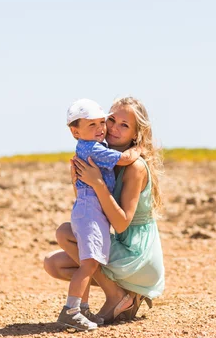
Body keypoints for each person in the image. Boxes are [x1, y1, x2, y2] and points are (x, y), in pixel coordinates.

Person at [44, 96, 165, 325]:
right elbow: (93, 210)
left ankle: (117, 296)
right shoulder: (102, 156)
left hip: (137, 254)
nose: (113, 128)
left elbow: (120, 224)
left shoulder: (135, 167)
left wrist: (98, 183)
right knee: (54, 263)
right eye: (111, 120)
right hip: (119, 243)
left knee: (66, 233)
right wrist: (79, 182)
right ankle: (125, 294)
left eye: (124, 125)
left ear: (136, 134)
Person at [56, 98, 141, 331]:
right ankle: (71, 310)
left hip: (89, 209)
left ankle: (82, 309)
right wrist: (140, 147)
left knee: (88, 261)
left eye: (101, 123)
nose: (100, 129)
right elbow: (124, 159)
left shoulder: (93, 146)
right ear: (76, 132)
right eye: (91, 125)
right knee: (88, 264)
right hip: (91, 210)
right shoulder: (92, 147)